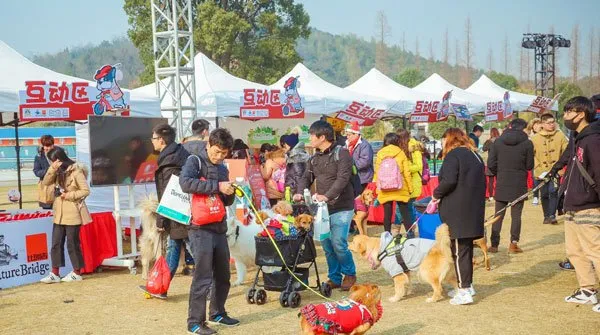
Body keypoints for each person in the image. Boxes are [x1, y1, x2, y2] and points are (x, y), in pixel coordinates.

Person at [179, 128, 238, 334]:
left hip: (219, 226)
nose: (219, 156)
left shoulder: (223, 168)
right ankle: (194, 322)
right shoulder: (194, 161)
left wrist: (231, 191)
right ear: (208, 145)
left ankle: (218, 312)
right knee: (202, 276)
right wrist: (217, 186)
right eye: (216, 151)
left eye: (224, 153)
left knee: (223, 273)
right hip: (199, 228)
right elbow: (185, 183)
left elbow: (225, 200)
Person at [294, 120, 357, 291]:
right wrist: (300, 191)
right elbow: (306, 178)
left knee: (338, 242)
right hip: (322, 209)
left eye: (312, 135)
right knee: (327, 244)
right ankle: (334, 277)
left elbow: (343, 179)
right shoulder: (314, 158)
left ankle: (349, 274)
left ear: (322, 137)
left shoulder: (342, 153)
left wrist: (327, 196)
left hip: (342, 206)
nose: (310, 139)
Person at [554, 96, 600, 313]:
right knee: (575, 251)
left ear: (581, 114)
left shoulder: (592, 140)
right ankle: (587, 289)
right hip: (571, 203)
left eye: (569, 112)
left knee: (595, 251)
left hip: (588, 204)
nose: (565, 116)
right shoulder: (577, 138)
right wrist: (554, 171)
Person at [432, 128, 486, 305]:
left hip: (458, 210)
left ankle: (463, 290)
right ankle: (468, 285)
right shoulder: (474, 155)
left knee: (459, 251)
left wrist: (436, 194)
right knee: (466, 249)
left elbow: (449, 180)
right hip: (473, 208)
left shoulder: (453, 156)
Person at [39, 147, 90, 284]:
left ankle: (77, 272)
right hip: (58, 213)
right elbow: (45, 183)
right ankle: (55, 273)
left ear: (59, 159)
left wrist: (69, 195)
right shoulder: (56, 171)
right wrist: (52, 169)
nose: (51, 163)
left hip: (72, 212)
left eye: (52, 161)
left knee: (72, 244)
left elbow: (85, 191)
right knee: (56, 243)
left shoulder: (76, 171)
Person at [151, 124, 195, 281]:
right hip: (183, 210)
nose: (152, 141)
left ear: (161, 140)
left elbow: (167, 192)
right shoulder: (179, 154)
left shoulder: (169, 162)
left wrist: (160, 219)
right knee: (174, 245)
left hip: (178, 211)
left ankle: (211, 284)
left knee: (193, 248)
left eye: (154, 138)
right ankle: (162, 285)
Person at [487, 119, 534, 254]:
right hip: (519, 183)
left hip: (502, 180)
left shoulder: (497, 142)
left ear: (510, 126)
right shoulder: (527, 143)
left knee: (498, 215)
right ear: (523, 128)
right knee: (516, 215)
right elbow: (529, 165)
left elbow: (491, 163)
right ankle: (513, 244)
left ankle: (494, 244)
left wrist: (499, 172)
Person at [532, 113, 569, 224]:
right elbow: (531, 155)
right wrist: (537, 166)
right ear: (542, 124)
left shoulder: (560, 136)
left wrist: (561, 166)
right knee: (544, 194)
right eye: (549, 123)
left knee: (553, 192)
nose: (551, 125)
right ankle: (546, 215)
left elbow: (566, 151)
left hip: (556, 169)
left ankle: (552, 215)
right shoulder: (535, 138)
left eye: (553, 122)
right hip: (541, 170)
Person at [373, 133, 413, 235]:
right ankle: (410, 235)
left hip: (385, 188)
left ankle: (387, 236)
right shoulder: (401, 153)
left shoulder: (380, 153)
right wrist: (410, 188)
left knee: (387, 214)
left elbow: (377, 172)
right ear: (396, 141)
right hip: (400, 187)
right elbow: (406, 172)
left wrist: (378, 189)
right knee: (405, 214)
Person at [393, 130, 422, 238]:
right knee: (403, 208)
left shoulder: (414, 149)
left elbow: (419, 166)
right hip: (402, 184)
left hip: (412, 184)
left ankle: (404, 232)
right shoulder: (400, 149)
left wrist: (404, 168)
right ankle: (407, 232)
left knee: (406, 209)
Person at [345, 122, 374, 193]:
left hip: (363, 178)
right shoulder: (346, 145)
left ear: (356, 134)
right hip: (351, 178)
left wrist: (350, 166)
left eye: (349, 135)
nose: (347, 137)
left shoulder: (365, 145)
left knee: (361, 200)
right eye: (347, 135)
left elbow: (365, 162)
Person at [33, 135, 56, 209]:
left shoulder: (59, 153)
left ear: (53, 145)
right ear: (43, 145)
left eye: (50, 146)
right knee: (47, 212)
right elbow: (36, 172)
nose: (48, 148)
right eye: (46, 146)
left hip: (59, 188)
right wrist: (49, 170)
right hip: (46, 189)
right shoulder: (38, 157)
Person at [482, 128, 500, 202]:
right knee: (499, 180)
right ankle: (498, 194)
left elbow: (484, 149)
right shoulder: (500, 140)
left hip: (491, 162)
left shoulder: (489, 141)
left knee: (491, 181)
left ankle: (491, 196)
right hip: (499, 162)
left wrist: (487, 140)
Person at [527, 118, 543, 205]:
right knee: (535, 180)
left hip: (544, 160)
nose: (537, 126)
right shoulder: (530, 137)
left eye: (539, 124)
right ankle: (536, 196)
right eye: (535, 125)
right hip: (535, 161)